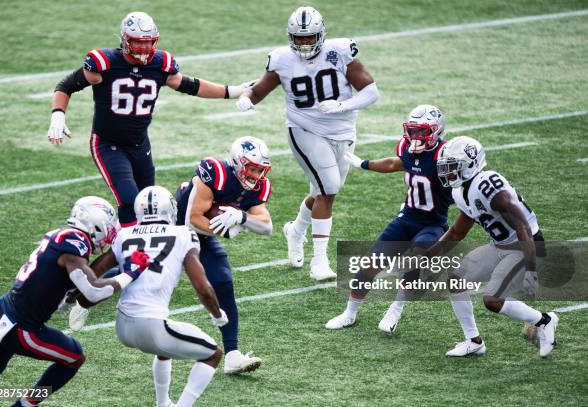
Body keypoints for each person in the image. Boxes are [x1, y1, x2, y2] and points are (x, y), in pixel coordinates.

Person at [47, 11, 250, 228]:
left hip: (140, 145)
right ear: (125, 40)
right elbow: (66, 86)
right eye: (137, 42)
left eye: (148, 42)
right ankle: (126, 253)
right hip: (108, 144)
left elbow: (192, 86)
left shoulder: (161, 65)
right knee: (128, 199)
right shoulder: (104, 63)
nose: (144, 49)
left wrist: (233, 91)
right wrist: (58, 115)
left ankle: (143, 252)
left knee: (148, 205)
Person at [236, 6, 379, 281]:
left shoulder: (340, 52)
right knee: (329, 188)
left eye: (309, 38)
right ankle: (320, 261)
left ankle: (296, 230)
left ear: (321, 35)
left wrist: (342, 106)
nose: (303, 43)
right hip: (304, 128)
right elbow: (262, 88)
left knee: (322, 190)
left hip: (344, 129)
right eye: (298, 38)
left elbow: (371, 91)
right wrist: (248, 100)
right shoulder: (282, 59)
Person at [0, 197, 142, 406]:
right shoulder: (74, 244)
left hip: (4, 309)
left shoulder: (64, 236)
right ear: (97, 223)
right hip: (23, 328)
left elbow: (84, 282)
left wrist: (115, 259)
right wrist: (131, 273)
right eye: (108, 227)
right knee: (74, 357)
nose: (110, 232)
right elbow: (92, 291)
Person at [89, 186, 227, 407]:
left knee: (165, 350)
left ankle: (162, 403)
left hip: (123, 326)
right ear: (170, 210)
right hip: (151, 326)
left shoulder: (125, 234)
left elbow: (96, 270)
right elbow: (202, 287)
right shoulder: (183, 233)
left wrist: (73, 296)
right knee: (213, 355)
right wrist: (218, 314)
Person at [326, 105, 454, 331]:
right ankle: (350, 313)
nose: (415, 136)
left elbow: (457, 189)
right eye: (413, 130)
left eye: (422, 131)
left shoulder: (445, 155)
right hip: (406, 218)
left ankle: (395, 309)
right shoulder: (406, 146)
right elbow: (396, 163)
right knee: (369, 264)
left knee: (417, 257)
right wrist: (363, 164)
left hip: (433, 223)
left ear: (436, 131)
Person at [427, 136, 555, 357]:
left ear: (469, 165)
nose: (446, 173)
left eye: (451, 167)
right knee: (456, 279)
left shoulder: (487, 185)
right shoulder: (460, 191)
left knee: (492, 300)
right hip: (500, 246)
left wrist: (531, 270)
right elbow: (456, 232)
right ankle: (474, 341)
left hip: (527, 246)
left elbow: (523, 226)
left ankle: (544, 321)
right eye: (444, 168)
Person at [176, 136, 273, 374]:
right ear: (237, 163)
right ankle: (83, 291)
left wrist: (242, 218)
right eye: (252, 168)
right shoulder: (215, 171)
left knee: (223, 280)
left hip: (202, 236)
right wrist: (224, 230)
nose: (256, 175)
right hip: (173, 227)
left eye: (260, 170)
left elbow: (267, 226)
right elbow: (192, 218)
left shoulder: (259, 185)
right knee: (139, 269)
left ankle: (232, 354)